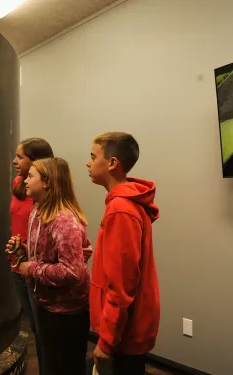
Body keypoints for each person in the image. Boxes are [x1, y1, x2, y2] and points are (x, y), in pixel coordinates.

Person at [7, 157, 91, 375]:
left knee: (65, 367)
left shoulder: (64, 221)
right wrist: (22, 250)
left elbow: (72, 272)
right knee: (51, 363)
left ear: (47, 182)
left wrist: (31, 268)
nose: (24, 181)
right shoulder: (37, 211)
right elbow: (45, 253)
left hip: (66, 313)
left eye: (30, 176)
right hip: (47, 305)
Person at [86, 132, 160, 375]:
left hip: (123, 335)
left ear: (112, 163)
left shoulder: (120, 209)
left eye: (92, 156)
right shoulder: (123, 203)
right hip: (125, 330)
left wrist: (106, 342)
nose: (88, 162)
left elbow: (121, 285)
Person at [9, 138, 53, 374]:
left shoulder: (46, 194)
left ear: (36, 162)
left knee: (44, 329)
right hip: (17, 266)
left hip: (36, 268)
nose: (15, 161)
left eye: (20, 157)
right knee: (34, 328)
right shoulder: (18, 184)